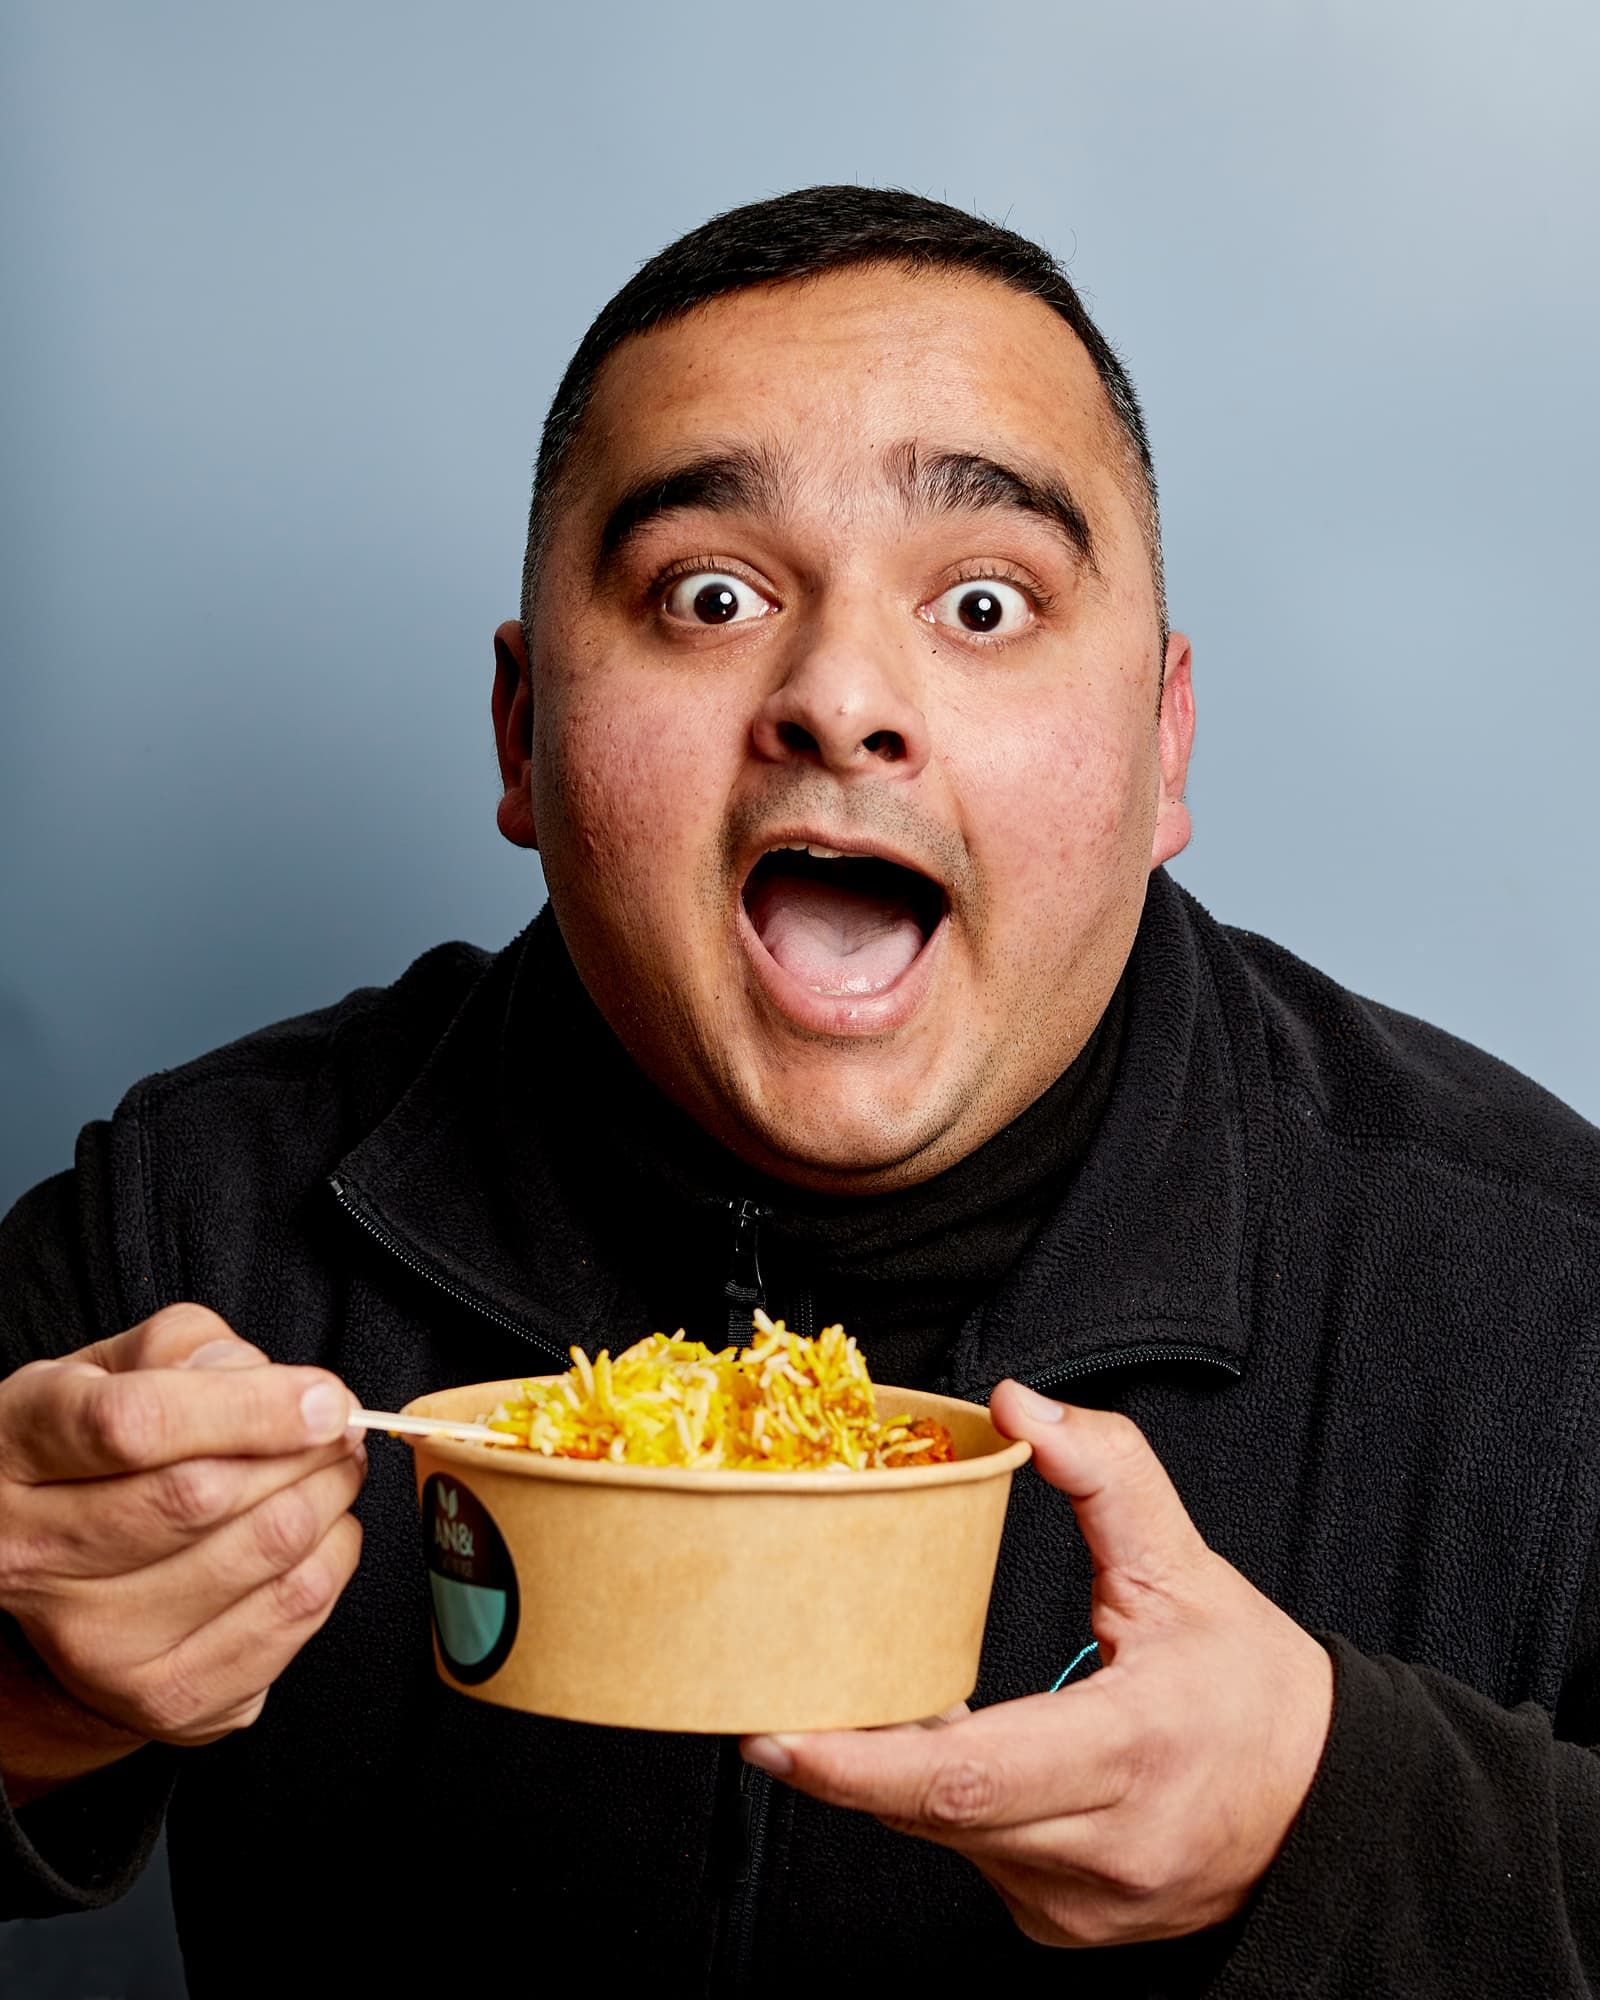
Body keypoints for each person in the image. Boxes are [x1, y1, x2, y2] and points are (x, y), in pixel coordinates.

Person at [1, 184, 1596, 1999]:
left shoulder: (1542, 1303)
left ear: (1163, 746)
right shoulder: (192, 1221)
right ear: (523, 735)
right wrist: (22, 1693)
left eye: (986, 602)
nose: (842, 695)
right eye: (710, 594)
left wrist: (1340, 1814)